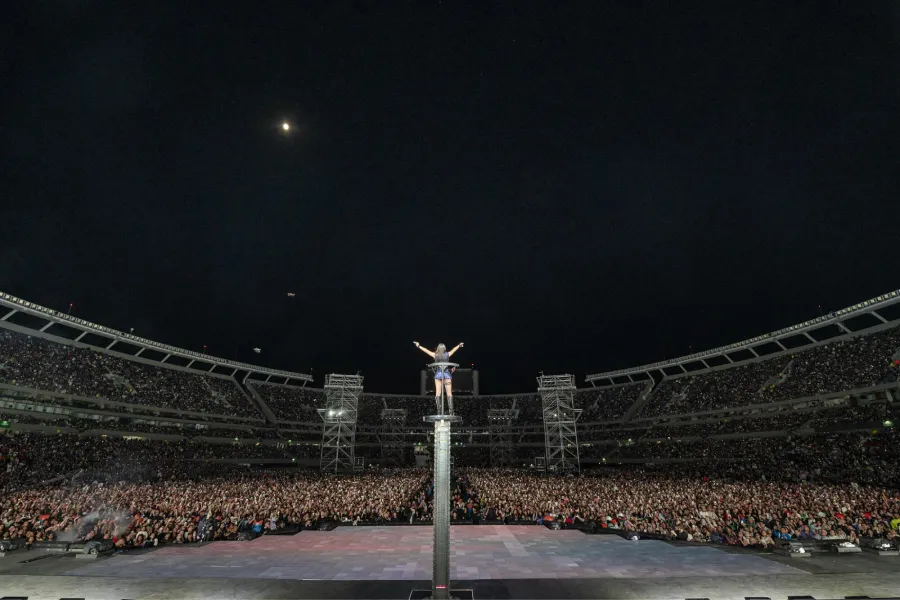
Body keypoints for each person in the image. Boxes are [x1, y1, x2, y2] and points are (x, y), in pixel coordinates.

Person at [413, 341, 464, 415]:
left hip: (438, 374)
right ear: (444, 348)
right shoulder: (447, 354)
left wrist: (419, 346)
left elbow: (426, 350)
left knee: (438, 393)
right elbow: (454, 349)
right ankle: (451, 411)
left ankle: (439, 411)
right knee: (449, 394)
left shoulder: (435, 355)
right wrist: (459, 345)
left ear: (438, 349)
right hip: (446, 374)